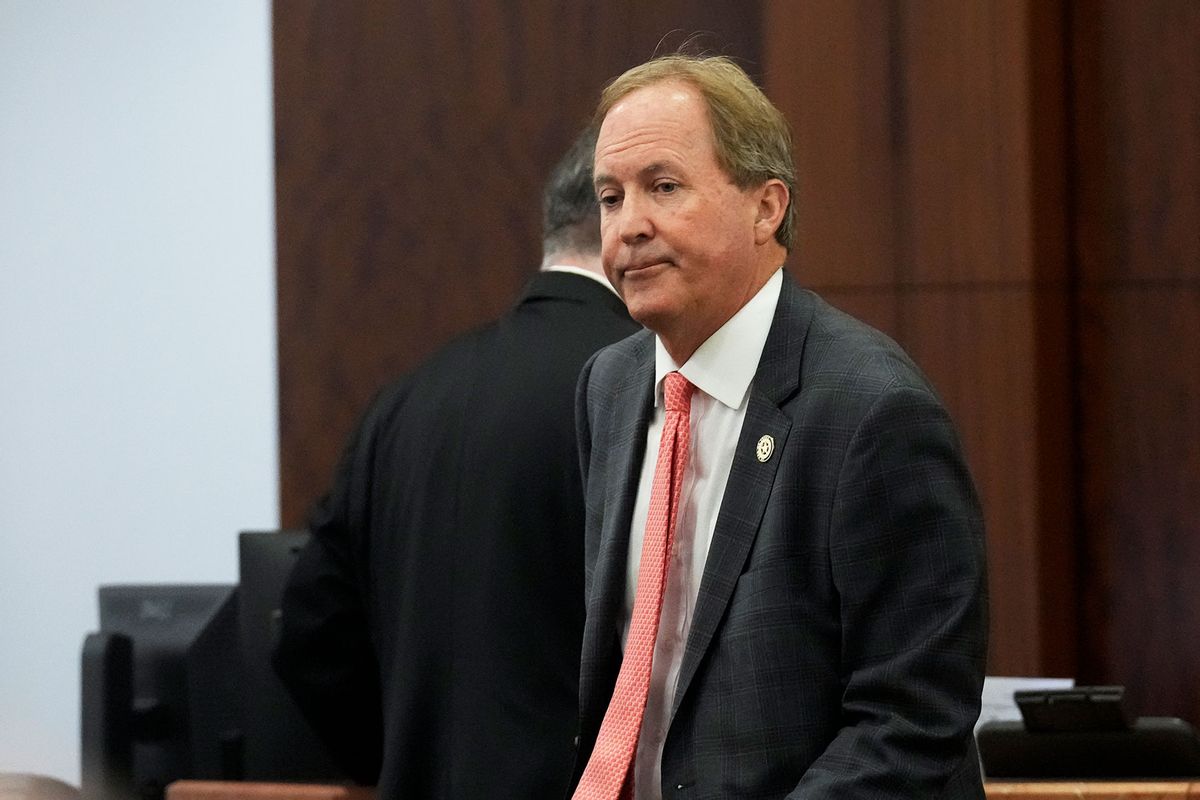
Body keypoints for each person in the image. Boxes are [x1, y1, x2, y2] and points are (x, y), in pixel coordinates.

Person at [570, 54, 988, 799]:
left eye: (663, 187)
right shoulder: (609, 387)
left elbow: (911, 721)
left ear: (766, 208)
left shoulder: (872, 410)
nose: (629, 226)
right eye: (610, 197)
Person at [272, 127, 640, 800]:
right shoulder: (648, 388)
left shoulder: (404, 400)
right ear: (619, 224)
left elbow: (309, 633)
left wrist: (404, 761)